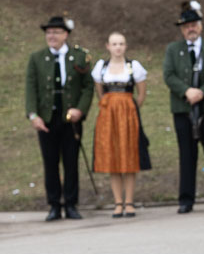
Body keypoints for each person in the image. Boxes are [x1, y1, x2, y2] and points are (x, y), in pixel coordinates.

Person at [163, 1, 204, 214]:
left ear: (200, 26)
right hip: (183, 109)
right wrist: (187, 91)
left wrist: (202, 92)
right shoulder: (173, 50)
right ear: (182, 29)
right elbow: (169, 75)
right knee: (186, 155)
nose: (190, 29)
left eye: (193, 24)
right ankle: (186, 199)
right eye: (186, 26)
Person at [25, 14, 93, 221]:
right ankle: (54, 204)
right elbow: (31, 89)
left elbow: (87, 87)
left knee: (71, 162)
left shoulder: (79, 56)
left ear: (66, 34)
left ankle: (71, 203)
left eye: (55, 32)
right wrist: (33, 115)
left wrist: (80, 110)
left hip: (70, 119)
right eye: (48, 32)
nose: (51, 36)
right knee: (50, 162)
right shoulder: (37, 58)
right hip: (47, 118)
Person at [91, 32, 148, 217]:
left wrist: (128, 108)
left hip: (128, 116)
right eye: (114, 44)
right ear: (107, 46)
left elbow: (140, 95)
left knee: (129, 156)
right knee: (113, 157)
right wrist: (111, 106)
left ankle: (129, 202)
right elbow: (100, 93)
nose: (118, 47)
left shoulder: (133, 67)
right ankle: (117, 202)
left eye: (121, 43)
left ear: (126, 46)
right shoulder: (101, 67)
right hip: (108, 116)